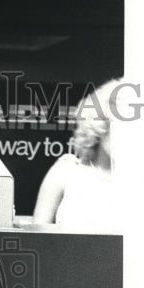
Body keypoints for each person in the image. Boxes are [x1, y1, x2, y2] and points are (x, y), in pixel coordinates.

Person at [32, 78, 120, 233]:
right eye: (118, 126)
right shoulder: (66, 172)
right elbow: (37, 239)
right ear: (99, 126)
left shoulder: (142, 182)